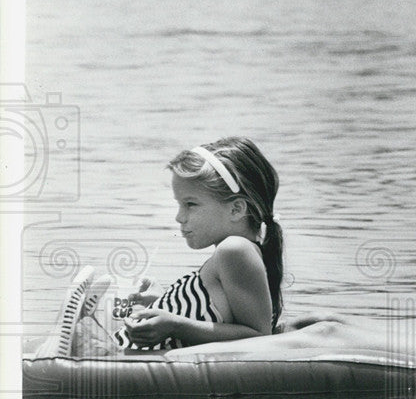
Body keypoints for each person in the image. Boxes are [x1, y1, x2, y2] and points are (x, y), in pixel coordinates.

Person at [42, 137, 283, 356]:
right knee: (103, 316)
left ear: (236, 209)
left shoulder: (235, 249)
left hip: (128, 356)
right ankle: (83, 327)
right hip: (130, 347)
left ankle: (74, 334)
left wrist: (174, 323)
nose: (179, 217)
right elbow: (217, 310)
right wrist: (164, 301)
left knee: (78, 331)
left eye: (190, 204)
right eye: (179, 204)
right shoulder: (235, 252)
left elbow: (258, 336)